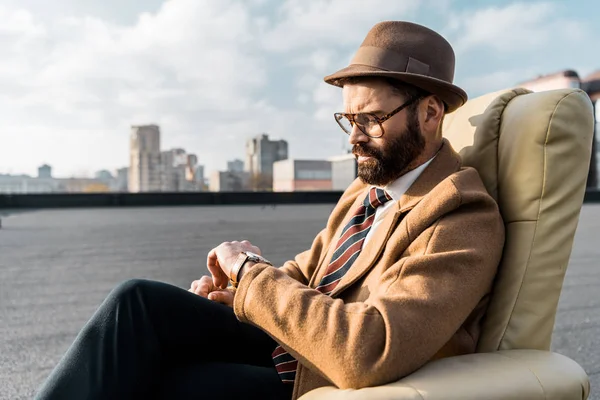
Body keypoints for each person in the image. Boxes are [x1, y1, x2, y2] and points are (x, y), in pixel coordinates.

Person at [35, 21, 504, 400]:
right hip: (290, 344)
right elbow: (311, 271)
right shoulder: (367, 192)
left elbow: (370, 350)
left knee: (166, 382)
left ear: (429, 113)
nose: (353, 137)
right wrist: (236, 291)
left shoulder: (461, 217)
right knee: (136, 302)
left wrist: (255, 276)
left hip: (317, 373)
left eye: (371, 119)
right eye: (348, 118)